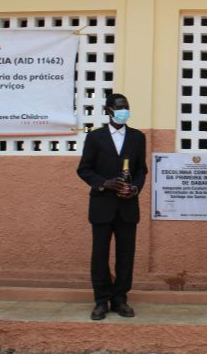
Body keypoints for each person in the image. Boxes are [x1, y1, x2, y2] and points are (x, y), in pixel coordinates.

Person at [77, 93, 148, 320]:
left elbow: (140, 171)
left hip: (128, 208)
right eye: (119, 107)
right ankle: (101, 300)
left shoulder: (138, 137)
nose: (123, 111)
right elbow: (84, 169)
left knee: (126, 256)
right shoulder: (95, 137)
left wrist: (134, 189)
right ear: (108, 110)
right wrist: (103, 183)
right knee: (100, 255)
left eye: (126, 107)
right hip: (102, 206)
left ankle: (120, 299)